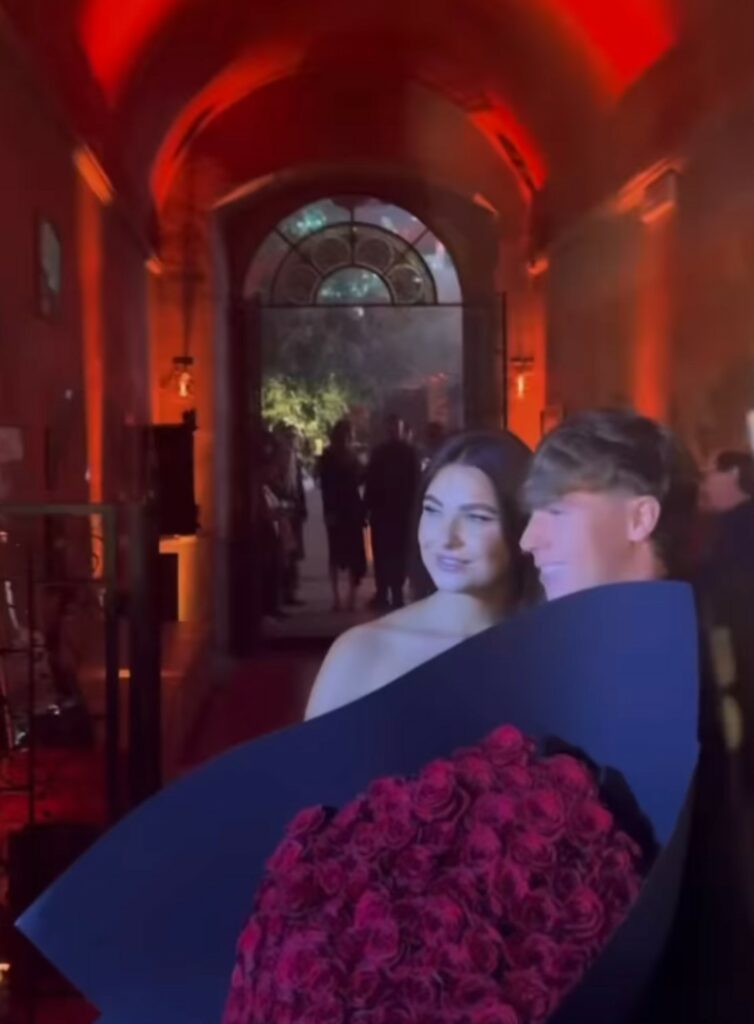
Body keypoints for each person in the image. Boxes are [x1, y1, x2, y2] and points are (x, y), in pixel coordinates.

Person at [520, 408, 753, 1024]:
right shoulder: (595, 650)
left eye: (556, 511)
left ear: (640, 518)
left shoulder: (687, 656)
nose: (529, 539)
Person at [306, 429, 535, 719]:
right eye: (433, 510)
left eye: (476, 517)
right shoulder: (362, 652)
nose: (446, 538)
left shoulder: (553, 651)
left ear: (526, 524)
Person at [364, 414, 421, 610]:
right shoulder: (408, 453)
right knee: (396, 553)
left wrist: (367, 507)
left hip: (386, 513)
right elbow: (416, 483)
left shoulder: (381, 453)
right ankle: (394, 593)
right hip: (398, 513)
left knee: (385, 553)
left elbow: (370, 482)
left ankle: (386, 593)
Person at [318, 418, 366, 612]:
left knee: (349, 553)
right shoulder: (331, 456)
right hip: (340, 508)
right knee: (338, 553)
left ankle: (347, 597)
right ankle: (339, 597)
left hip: (349, 508)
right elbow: (326, 485)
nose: (349, 436)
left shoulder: (350, 456)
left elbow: (360, 478)